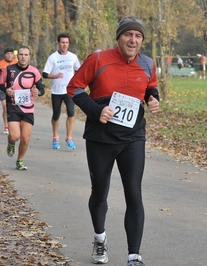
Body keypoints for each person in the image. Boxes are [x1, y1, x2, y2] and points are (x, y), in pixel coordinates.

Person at [67, 16, 160, 266]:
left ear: (141, 40)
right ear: (118, 37)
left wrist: (153, 98)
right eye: (128, 35)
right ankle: (100, 238)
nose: (133, 40)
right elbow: (74, 88)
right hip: (101, 138)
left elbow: (150, 87)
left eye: (138, 36)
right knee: (100, 193)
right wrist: (97, 111)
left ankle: (134, 256)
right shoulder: (98, 59)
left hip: (133, 138)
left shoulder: (148, 63)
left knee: (134, 193)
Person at [0, 46, 45, 170]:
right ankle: (11, 142)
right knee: (14, 136)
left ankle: (20, 160)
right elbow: (0, 84)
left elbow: (42, 89)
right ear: (16, 56)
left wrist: (38, 92)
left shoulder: (34, 71)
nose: (23, 57)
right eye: (21, 54)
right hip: (13, 107)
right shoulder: (8, 69)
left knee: (25, 138)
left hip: (28, 109)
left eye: (26, 55)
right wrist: (6, 90)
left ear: (29, 57)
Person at [42, 33, 80, 150]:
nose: (65, 45)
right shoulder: (52, 57)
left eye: (67, 43)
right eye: (62, 42)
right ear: (58, 43)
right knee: (56, 115)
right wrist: (55, 76)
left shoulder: (73, 57)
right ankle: (55, 137)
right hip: (56, 91)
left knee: (71, 113)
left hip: (68, 90)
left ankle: (69, 137)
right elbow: (44, 74)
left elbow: (78, 70)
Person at [0, 47, 18, 135]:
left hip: (15, 89)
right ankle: (6, 126)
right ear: (4, 55)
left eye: (11, 53)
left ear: (13, 55)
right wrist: (0, 81)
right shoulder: (0, 64)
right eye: (7, 54)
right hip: (3, 88)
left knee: (15, 108)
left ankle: (14, 125)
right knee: (5, 107)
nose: (9, 55)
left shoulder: (17, 62)